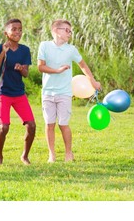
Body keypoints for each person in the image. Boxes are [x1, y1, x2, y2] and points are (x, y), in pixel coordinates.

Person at [38, 19, 101, 162]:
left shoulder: (71, 49)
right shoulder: (44, 46)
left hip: (65, 93)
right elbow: (40, 67)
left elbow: (83, 65)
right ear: (56, 31)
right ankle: (52, 155)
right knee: (49, 124)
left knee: (63, 124)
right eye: (66, 30)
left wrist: (92, 81)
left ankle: (68, 153)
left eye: (70, 31)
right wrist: (57, 70)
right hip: (47, 93)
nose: (69, 33)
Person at [0, 19, 36, 165]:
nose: (17, 32)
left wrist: (21, 68)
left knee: (31, 125)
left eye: (20, 29)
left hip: (19, 94)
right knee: (3, 127)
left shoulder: (24, 50)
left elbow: (26, 74)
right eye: (14, 29)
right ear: (6, 33)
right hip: (4, 93)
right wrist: (3, 53)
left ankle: (24, 155)